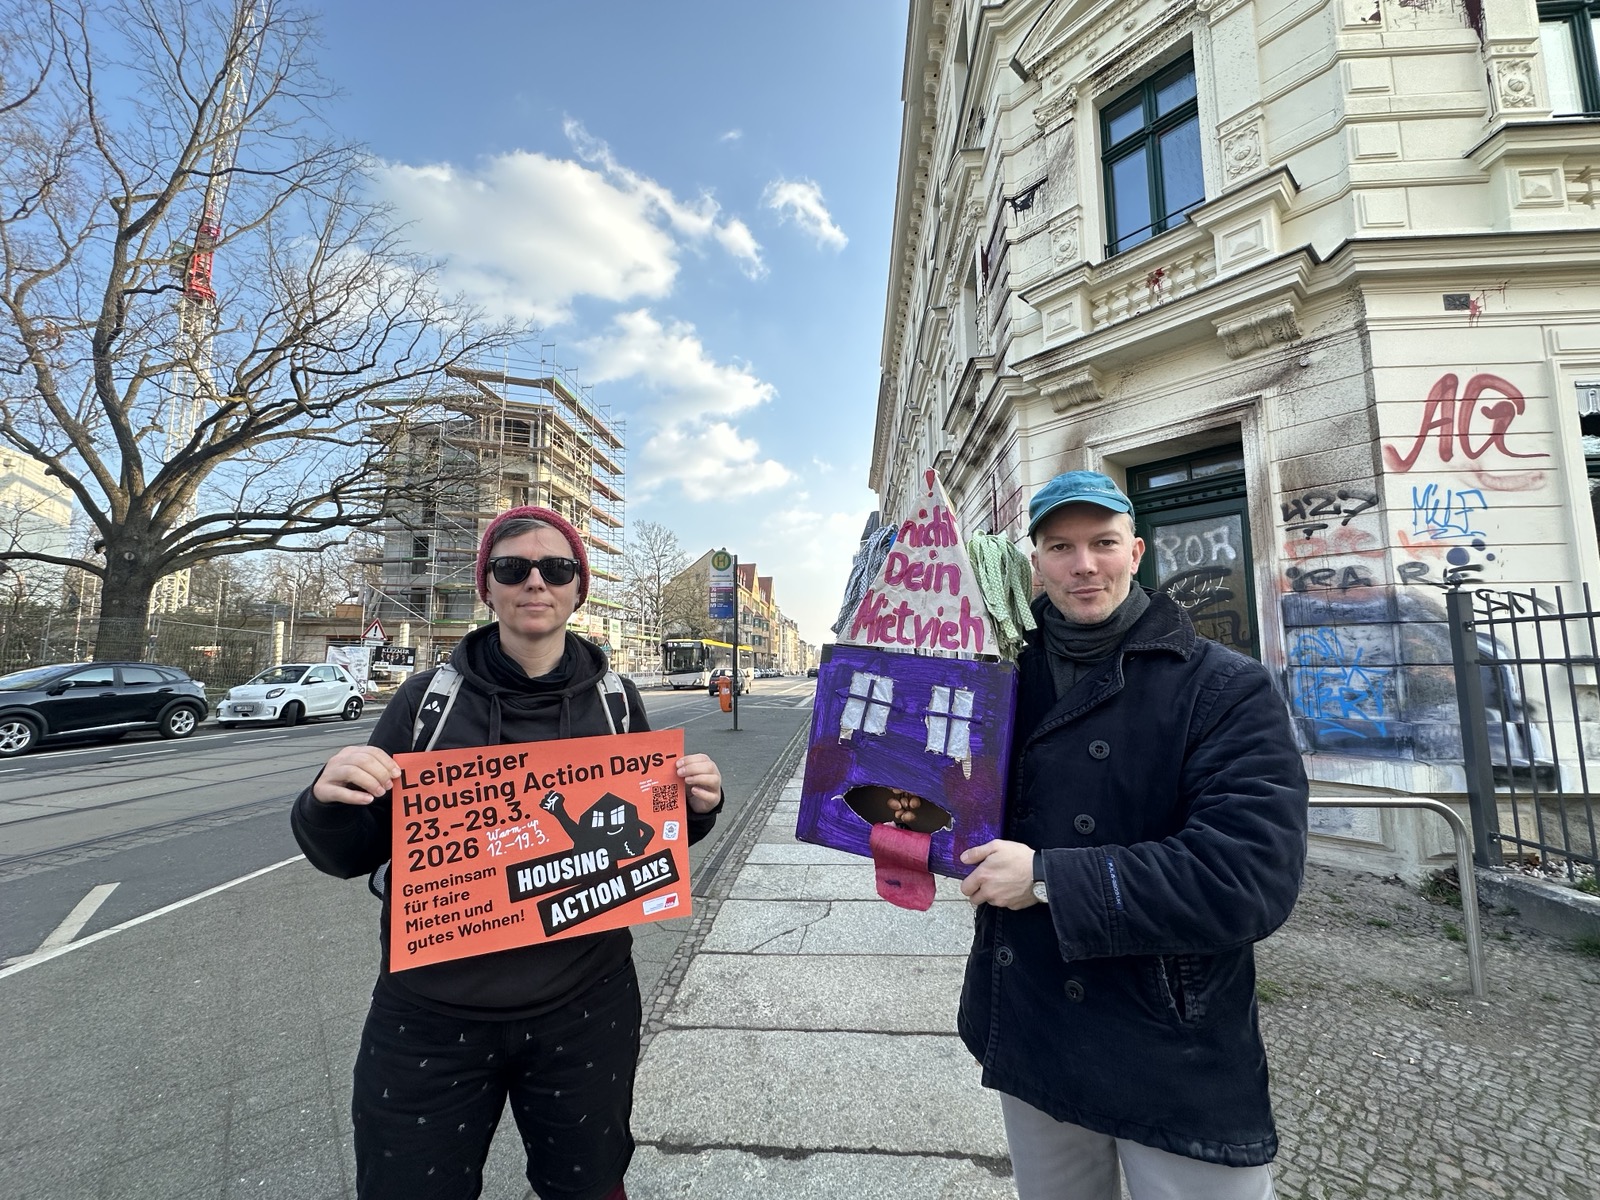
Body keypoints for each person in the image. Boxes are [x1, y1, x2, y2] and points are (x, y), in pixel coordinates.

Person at [291, 506, 725, 1200]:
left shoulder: (617, 702)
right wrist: (325, 800)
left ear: (578, 588)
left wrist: (700, 808)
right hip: (430, 1013)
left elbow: (644, 841)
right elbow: (347, 853)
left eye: (556, 569)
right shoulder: (426, 703)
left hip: (587, 1007)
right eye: (511, 568)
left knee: (588, 1186)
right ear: (486, 587)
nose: (535, 582)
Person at [957, 470, 1308, 1200]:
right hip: (1036, 1024)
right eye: (1062, 546)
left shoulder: (1224, 686)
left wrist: (1050, 876)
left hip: (1173, 1042)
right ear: (1036, 564)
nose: (1084, 565)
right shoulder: (999, 685)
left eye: (1103, 543)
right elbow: (945, 807)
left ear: (1136, 551)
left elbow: (1249, 875)